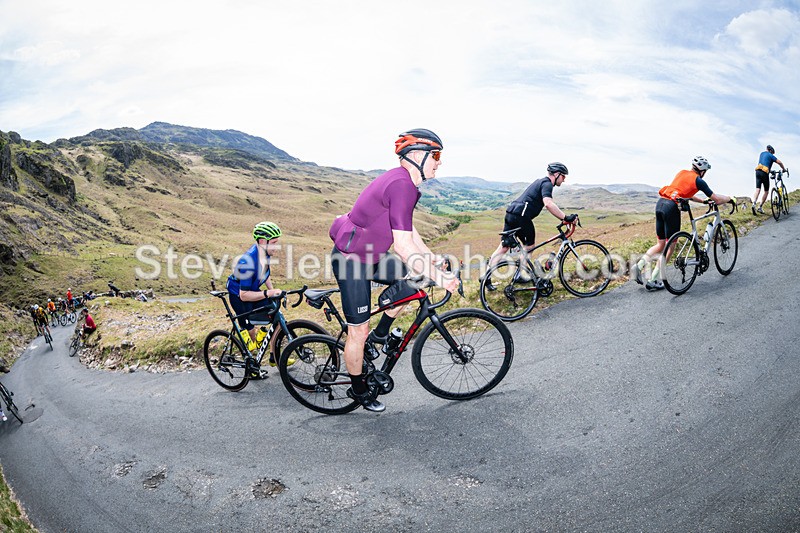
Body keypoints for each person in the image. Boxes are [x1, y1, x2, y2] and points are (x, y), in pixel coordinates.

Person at [328, 128, 459, 412]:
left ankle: (381, 334)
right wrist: (440, 277)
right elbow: (402, 246)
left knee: (414, 279)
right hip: (351, 261)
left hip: (372, 256)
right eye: (435, 155)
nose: (439, 161)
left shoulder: (406, 185)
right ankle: (359, 390)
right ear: (416, 156)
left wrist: (430, 258)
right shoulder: (400, 184)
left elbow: (408, 231)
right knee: (357, 332)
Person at [630, 156, 733, 291]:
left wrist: (702, 202)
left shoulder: (682, 173)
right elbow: (717, 199)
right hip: (671, 208)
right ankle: (653, 279)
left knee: (660, 244)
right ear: (703, 171)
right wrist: (730, 199)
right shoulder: (699, 181)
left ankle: (637, 267)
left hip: (660, 204)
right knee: (670, 246)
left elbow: (685, 193)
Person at [483, 162, 577, 288]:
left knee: (504, 247)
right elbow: (548, 203)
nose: (564, 180)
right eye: (563, 176)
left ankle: (485, 277)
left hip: (511, 212)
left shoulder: (540, 181)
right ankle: (520, 274)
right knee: (530, 246)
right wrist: (565, 217)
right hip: (521, 216)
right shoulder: (547, 184)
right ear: (556, 174)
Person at [226, 221, 285, 379]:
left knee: (277, 319)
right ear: (261, 242)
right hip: (240, 297)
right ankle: (251, 366)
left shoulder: (264, 254)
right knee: (251, 340)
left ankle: (275, 358)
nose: (276, 247)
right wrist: (267, 293)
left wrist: (274, 293)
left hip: (253, 292)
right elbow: (243, 295)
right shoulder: (248, 262)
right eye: (273, 243)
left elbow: (266, 276)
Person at [751, 145, 786, 215]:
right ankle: (760, 207)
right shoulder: (770, 155)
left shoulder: (762, 153)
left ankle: (754, 203)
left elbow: (765, 163)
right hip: (764, 173)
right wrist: (783, 169)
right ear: (771, 151)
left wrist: (770, 170)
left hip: (758, 171)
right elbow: (779, 162)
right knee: (766, 191)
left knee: (757, 189)